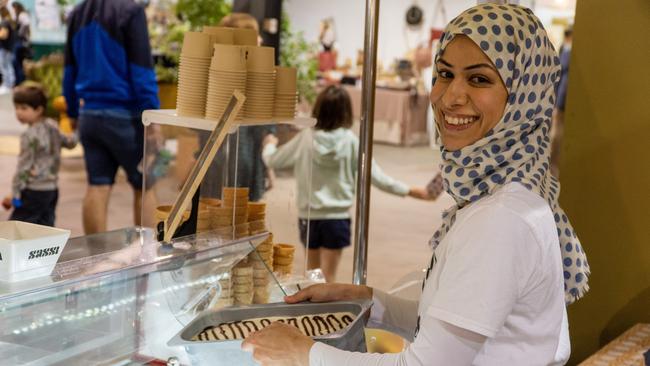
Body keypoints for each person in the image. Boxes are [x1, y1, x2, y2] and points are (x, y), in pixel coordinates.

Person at [242, 4, 590, 365]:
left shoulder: (500, 220)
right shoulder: (509, 193)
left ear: (523, 95)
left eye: (479, 79)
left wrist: (304, 353)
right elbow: (459, 325)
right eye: (444, 73)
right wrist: (368, 299)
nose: (451, 95)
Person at [261, 85, 429, 283]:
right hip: (337, 219)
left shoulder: (306, 137)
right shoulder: (351, 141)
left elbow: (274, 160)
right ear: (346, 112)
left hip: (309, 216)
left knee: (312, 274)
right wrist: (409, 191)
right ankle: (326, 310)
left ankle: (313, 309)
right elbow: (376, 177)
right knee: (329, 276)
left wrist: (269, 146)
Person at [63, 0, 160, 234]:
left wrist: (74, 111)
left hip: (90, 116)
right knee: (146, 185)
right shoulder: (131, 11)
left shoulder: (78, 12)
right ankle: (146, 257)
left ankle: (95, 258)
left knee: (97, 186)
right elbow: (142, 68)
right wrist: (153, 114)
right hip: (127, 117)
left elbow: (69, 70)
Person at [2, 84, 77, 226]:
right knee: (46, 225)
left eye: (24, 108)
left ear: (39, 109)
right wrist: (77, 128)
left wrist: (15, 193)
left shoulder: (29, 136)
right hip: (51, 189)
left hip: (33, 190)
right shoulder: (53, 125)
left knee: (16, 226)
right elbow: (70, 143)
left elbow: (24, 167)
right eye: (16, 108)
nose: (19, 113)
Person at [550, 25, 572, 178]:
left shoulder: (567, 51)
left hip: (562, 97)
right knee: (557, 128)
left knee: (558, 130)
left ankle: (553, 157)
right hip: (560, 96)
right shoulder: (565, 49)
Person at [11, 2, 30, 85]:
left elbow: (26, 24)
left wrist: (19, 33)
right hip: (19, 41)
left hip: (20, 42)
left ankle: (20, 81)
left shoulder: (22, 15)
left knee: (17, 62)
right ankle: (19, 80)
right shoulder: (17, 15)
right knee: (17, 62)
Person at [0, 6, 15, 92]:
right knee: (8, 66)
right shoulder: (9, 22)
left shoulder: (4, 22)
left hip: (5, 49)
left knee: (5, 66)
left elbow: (3, 35)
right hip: (9, 48)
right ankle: (9, 84)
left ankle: (7, 85)